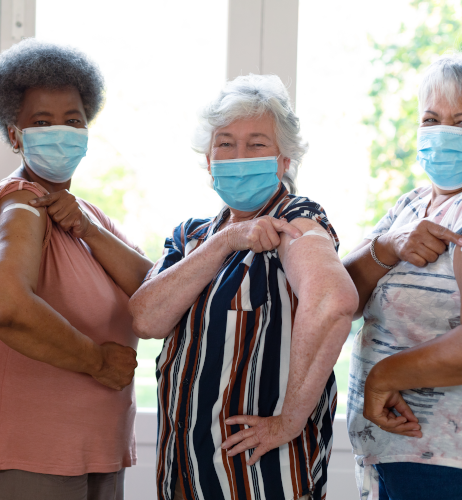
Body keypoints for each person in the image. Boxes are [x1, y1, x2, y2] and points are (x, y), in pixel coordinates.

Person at [129, 74, 358, 500]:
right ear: (208, 157)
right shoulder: (191, 236)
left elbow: (333, 301)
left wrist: (289, 421)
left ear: (284, 160)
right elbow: (146, 318)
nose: (238, 155)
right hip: (183, 471)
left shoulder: (297, 220)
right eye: (225, 142)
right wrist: (229, 239)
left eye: (256, 144)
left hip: (259, 477)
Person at [344, 49, 462, 500]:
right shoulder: (415, 203)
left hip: (458, 466)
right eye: (431, 120)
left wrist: (385, 376)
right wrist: (387, 246)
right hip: (405, 457)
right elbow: (343, 295)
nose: (444, 133)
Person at [0, 39, 153, 499]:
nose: (61, 132)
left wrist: (86, 228)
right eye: (42, 122)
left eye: (73, 121)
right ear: (14, 135)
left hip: (96, 452)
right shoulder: (22, 206)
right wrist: (96, 361)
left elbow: (156, 291)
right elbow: (7, 306)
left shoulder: (83, 215)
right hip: (37, 456)